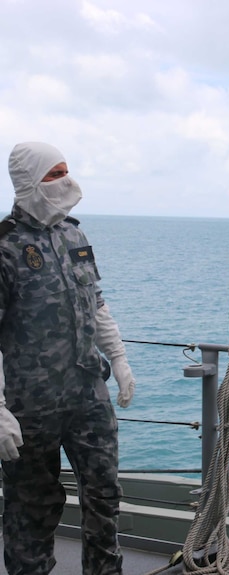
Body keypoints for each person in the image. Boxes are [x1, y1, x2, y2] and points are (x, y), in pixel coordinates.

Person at [0, 142, 136, 574]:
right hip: (29, 404)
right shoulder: (4, 247)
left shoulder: (74, 234)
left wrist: (118, 357)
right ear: (29, 183)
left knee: (104, 493)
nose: (67, 180)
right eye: (55, 173)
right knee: (33, 508)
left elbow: (95, 303)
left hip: (86, 394)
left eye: (66, 170)